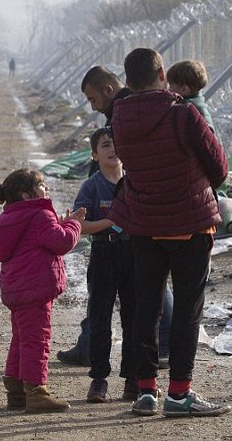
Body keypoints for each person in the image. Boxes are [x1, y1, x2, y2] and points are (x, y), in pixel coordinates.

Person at [109, 48, 232, 417]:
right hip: (190, 225)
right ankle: (180, 394)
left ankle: (146, 391)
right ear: (162, 73)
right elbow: (220, 169)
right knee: (186, 312)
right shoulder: (184, 113)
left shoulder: (119, 117)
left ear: (127, 81)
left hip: (144, 226)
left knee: (146, 308)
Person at [57, 67, 173, 369]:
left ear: (108, 89)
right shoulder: (125, 110)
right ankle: (97, 352)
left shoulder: (126, 112)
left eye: (93, 99)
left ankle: (153, 352)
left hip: (136, 215)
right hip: (119, 231)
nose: (93, 106)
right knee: (113, 296)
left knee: (149, 285)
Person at [0, 168, 84, 413]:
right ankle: (36, 392)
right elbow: (61, 242)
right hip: (36, 289)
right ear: (26, 194)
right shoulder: (40, 214)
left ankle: (16, 390)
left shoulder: (8, 219)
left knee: (21, 338)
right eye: (41, 185)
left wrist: (59, 224)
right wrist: (74, 224)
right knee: (37, 340)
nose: (46, 189)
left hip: (16, 289)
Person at [74, 128, 136, 404]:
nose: (112, 150)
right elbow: (80, 225)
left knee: (134, 318)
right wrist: (112, 221)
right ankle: (99, 379)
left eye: (116, 143)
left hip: (133, 253)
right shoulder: (91, 186)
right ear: (94, 154)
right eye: (105, 145)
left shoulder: (134, 182)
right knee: (100, 318)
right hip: (103, 253)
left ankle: (133, 378)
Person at [167, 60, 215, 133]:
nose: (168, 90)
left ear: (184, 90)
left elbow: (209, 134)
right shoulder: (199, 104)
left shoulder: (192, 109)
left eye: (171, 86)